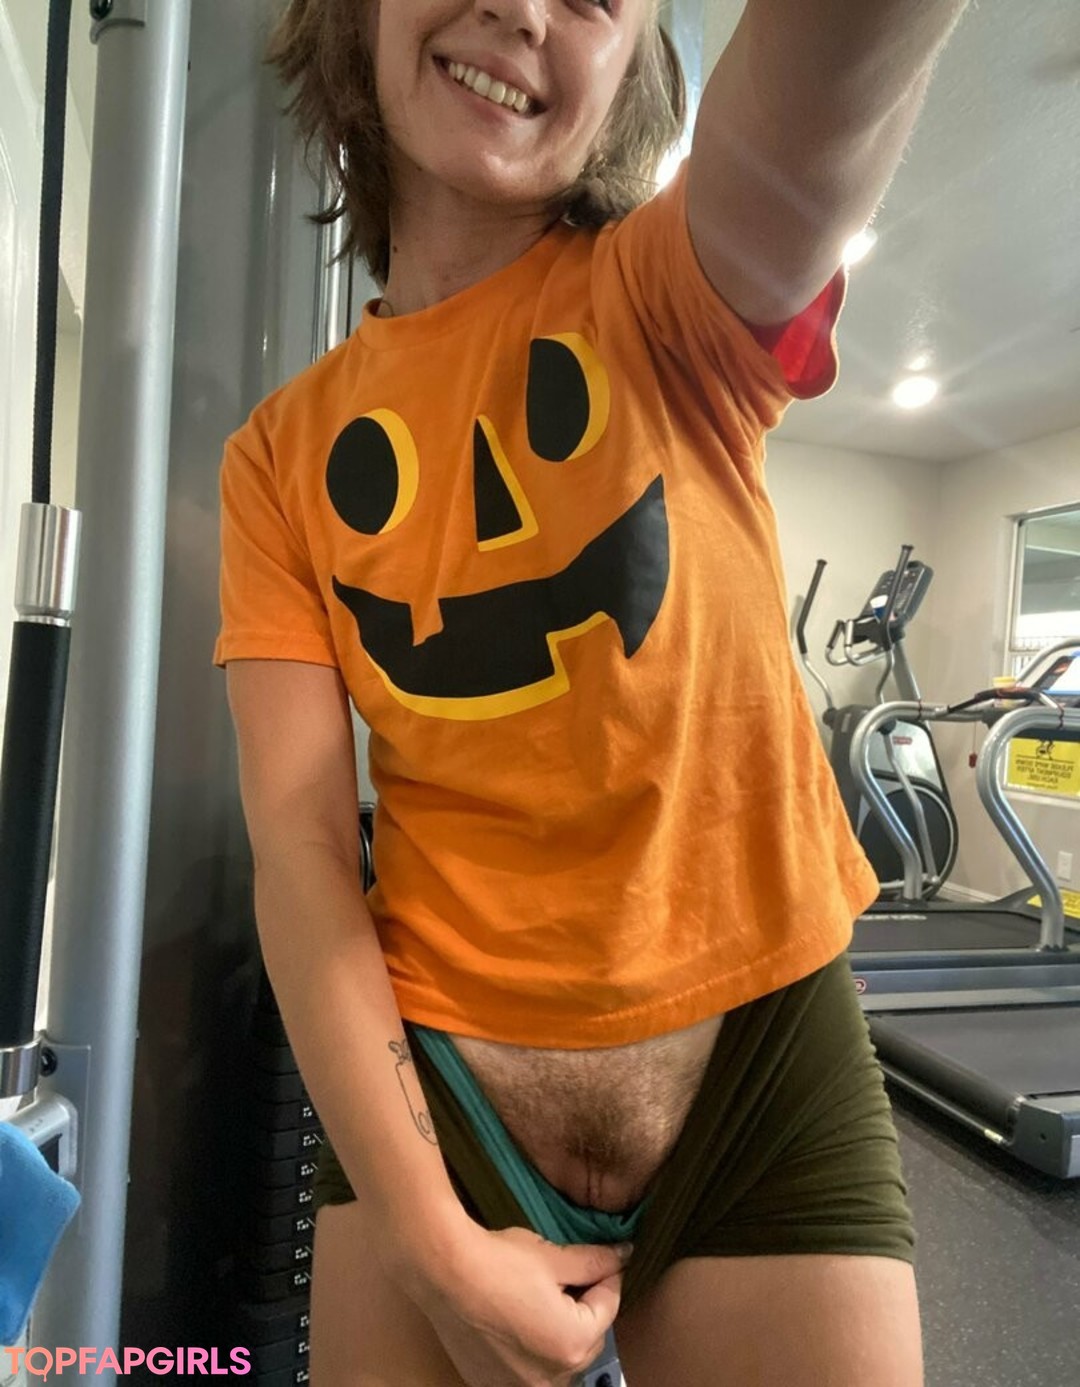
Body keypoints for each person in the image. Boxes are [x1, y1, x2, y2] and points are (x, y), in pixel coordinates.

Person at [215, 1, 969, 1382]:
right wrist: (428, 1241)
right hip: (436, 1099)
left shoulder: (677, 294)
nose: (522, 8)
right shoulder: (277, 460)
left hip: (755, 1075)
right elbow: (302, 850)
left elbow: (828, 81)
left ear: (632, 66)